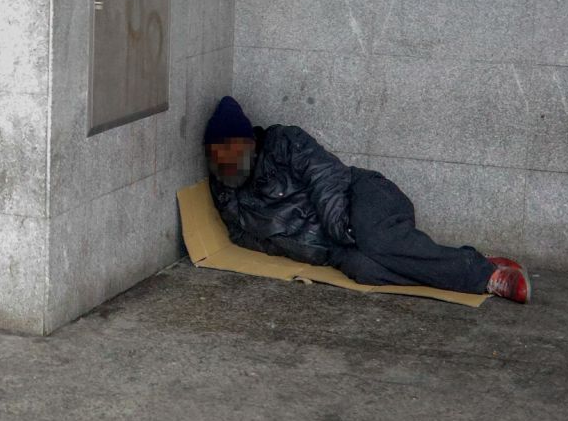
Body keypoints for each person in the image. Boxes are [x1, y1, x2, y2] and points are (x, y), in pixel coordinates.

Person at [202, 95, 530, 303]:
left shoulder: (283, 142)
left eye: (234, 150)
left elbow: (326, 177)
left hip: (361, 197)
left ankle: (486, 276)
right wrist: (317, 252)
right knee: (365, 269)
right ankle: (462, 259)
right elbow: (248, 238)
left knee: (376, 240)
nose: (227, 161)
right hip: (333, 248)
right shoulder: (228, 197)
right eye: (218, 155)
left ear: (250, 143)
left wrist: (340, 226)